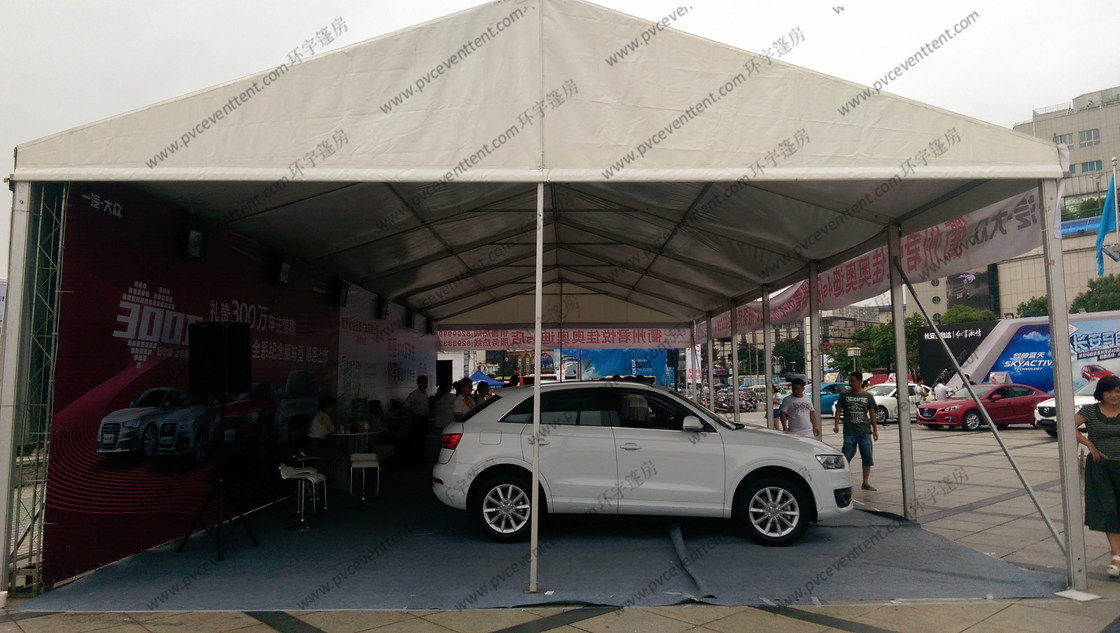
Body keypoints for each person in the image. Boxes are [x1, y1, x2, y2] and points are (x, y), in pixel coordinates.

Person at [1073, 374, 1120, 578]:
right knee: (1109, 510)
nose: (1114, 395)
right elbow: (1067, 425)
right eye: (1109, 391)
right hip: (1101, 468)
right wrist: (1089, 444)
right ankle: (1116, 556)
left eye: (1118, 391)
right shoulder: (1090, 411)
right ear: (1101, 392)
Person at [833, 371, 879, 491]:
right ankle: (842, 480)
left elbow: (872, 413)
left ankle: (865, 482)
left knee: (867, 456)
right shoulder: (844, 395)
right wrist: (836, 424)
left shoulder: (868, 396)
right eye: (849, 381)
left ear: (860, 381)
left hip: (864, 431)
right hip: (849, 432)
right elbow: (838, 409)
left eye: (853, 381)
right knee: (846, 456)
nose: (850, 383)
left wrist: (875, 430)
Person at [306, 397, 342, 484]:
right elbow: (333, 429)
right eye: (333, 407)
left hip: (314, 444)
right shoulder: (323, 416)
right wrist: (340, 418)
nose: (334, 410)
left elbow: (330, 428)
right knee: (337, 453)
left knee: (329, 455)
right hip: (315, 446)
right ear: (328, 407)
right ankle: (324, 475)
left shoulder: (321, 415)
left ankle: (324, 476)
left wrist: (332, 416)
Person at [403, 375, 430, 465]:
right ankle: (415, 458)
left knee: (423, 439)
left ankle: (420, 457)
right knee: (417, 439)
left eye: (426, 383)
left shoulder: (425, 393)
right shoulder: (414, 394)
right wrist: (413, 414)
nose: (425, 385)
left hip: (424, 417)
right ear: (418, 383)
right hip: (418, 418)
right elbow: (406, 405)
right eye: (423, 383)